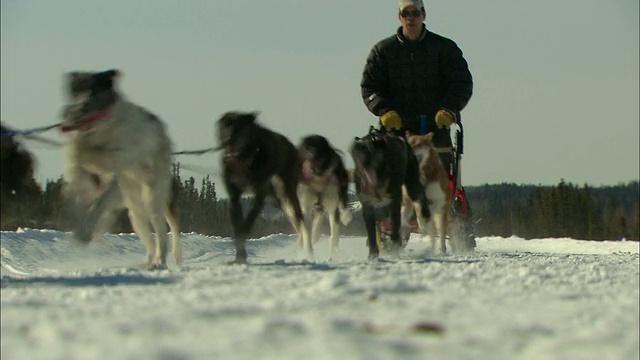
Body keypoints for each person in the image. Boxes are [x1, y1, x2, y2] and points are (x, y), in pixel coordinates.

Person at [360, 0, 476, 249]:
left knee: (443, 177)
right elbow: (370, 87)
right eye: (405, 13)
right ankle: (391, 222)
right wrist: (384, 110)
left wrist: (449, 109)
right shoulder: (383, 51)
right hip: (397, 129)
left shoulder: (444, 49)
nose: (410, 18)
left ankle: (454, 215)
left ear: (423, 15)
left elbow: (462, 83)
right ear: (399, 17)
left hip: (435, 128)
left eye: (415, 13)